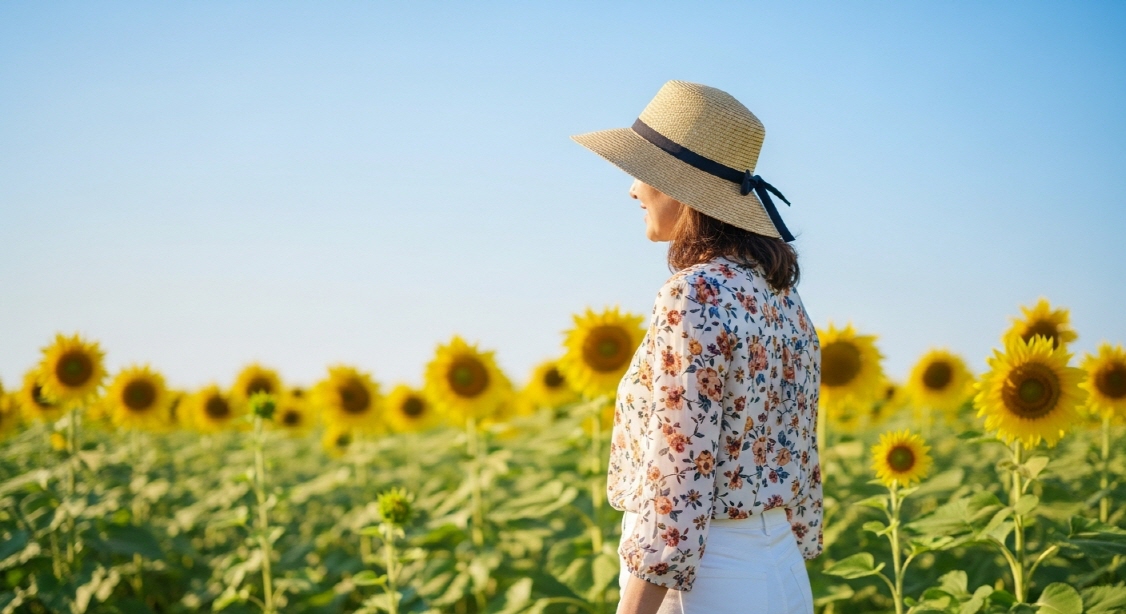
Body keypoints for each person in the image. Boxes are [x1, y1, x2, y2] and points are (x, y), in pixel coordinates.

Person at [571, 81, 823, 614]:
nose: (633, 190)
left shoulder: (694, 294)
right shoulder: (783, 300)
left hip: (703, 583)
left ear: (679, 187)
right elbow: (802, 460)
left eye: (643, 173)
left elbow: (677, 481)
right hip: (778, 571)